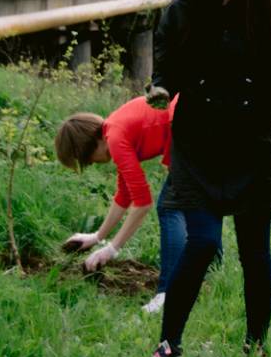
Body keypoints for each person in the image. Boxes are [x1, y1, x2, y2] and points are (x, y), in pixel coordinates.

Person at [143, 0, 271, 357]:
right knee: (202, 243)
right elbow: (167, 66)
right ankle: (167, 348)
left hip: (256, 147)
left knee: (256, 251)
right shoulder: (182, 12)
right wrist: (159, 88)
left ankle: (256, 348)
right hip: (200, 147)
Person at [55, 97, 184, 316]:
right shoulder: (115, 129)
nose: (93, 163)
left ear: (88, 146)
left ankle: (168, 294)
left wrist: (112, 248)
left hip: (185, 124)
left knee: (170, 207)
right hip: (185, 121)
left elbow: (142, 203)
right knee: (193, 204)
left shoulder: (115, 137)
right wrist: (97, 237)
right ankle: (209, 268)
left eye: (88, 160)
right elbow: (124, 196)